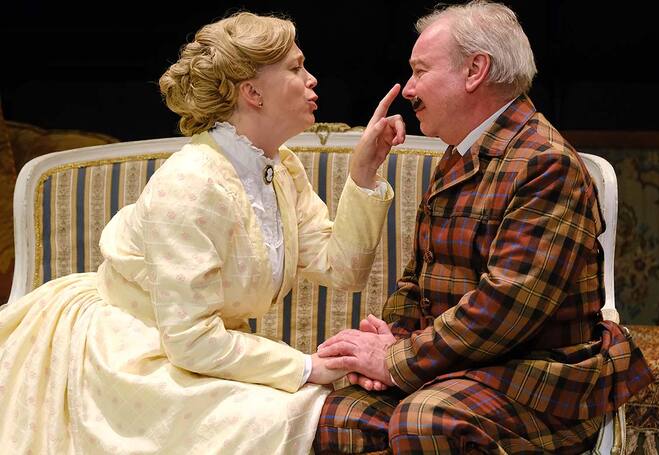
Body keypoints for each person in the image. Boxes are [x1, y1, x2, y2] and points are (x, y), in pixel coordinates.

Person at [0, 12, 405, 454]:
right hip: (134, 357)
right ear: (252, 93)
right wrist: (307, 366)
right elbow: (191, 341)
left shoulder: (279, 167)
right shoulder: (190, 185)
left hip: (199, 351)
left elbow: (340, 269)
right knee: (297, 420)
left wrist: (364, 172)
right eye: (295, 68)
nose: (311, 79)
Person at [314, 1, 653, 453]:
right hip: (463, 365)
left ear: (475, 70)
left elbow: (507, 306)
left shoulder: (545, 164)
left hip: (539, 378)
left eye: (419, 71)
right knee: (341, 416)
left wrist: (395, 361)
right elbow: (420, 277)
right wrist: (392, 335)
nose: (409, 89)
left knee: (425, 421)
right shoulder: (460, 153)